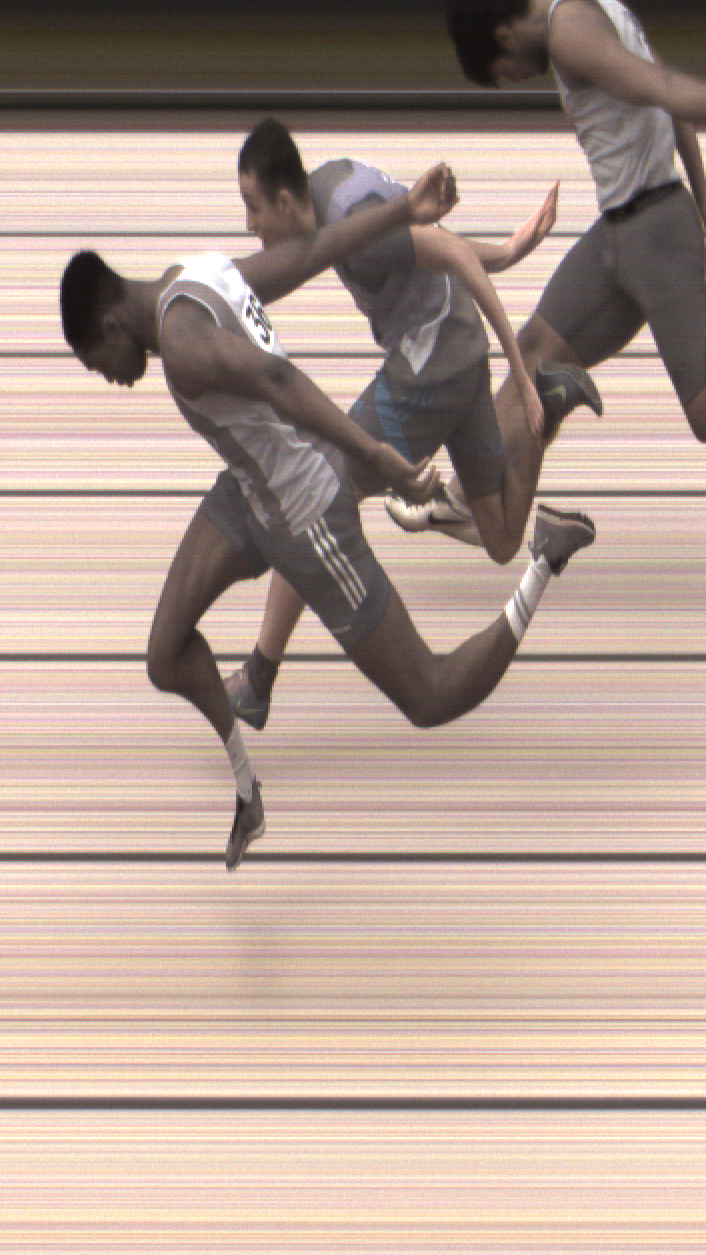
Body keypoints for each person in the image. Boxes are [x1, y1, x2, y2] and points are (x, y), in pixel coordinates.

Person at [59, 161, 596, 872]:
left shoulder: (183, 344)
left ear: (109, 326)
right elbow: (310, 256)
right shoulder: (196, 272)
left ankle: (545, 559)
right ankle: (248, 790)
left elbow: (278, 380)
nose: (109, 377)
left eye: (97, 363)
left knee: (429, 695)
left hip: (304, 512)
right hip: (245, 496)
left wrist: (375, 454)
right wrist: (399, 211)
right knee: (164, 653)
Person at [225, 118, 602, 732]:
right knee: (503, 538)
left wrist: (520, 373)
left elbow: (446, 253)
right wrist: (511, 249)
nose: (248, 224)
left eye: (252, 206)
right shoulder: (337, 180)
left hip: (429, 373)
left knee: (311, 495)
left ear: (286, 201)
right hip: (463, 353)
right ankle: (552, 433)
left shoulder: (353, 225)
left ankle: (257, 680)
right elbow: (430, 241)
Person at [433, 0, 706, 539]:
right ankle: (465, 494)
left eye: (506, 73)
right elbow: (666, 101)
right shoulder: (593, 2)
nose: (519, 79)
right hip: (617, 233)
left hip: (654, 234)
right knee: (533, 351)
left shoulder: (568, 32)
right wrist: (705, 201)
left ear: (504, 36)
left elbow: (668, 90)